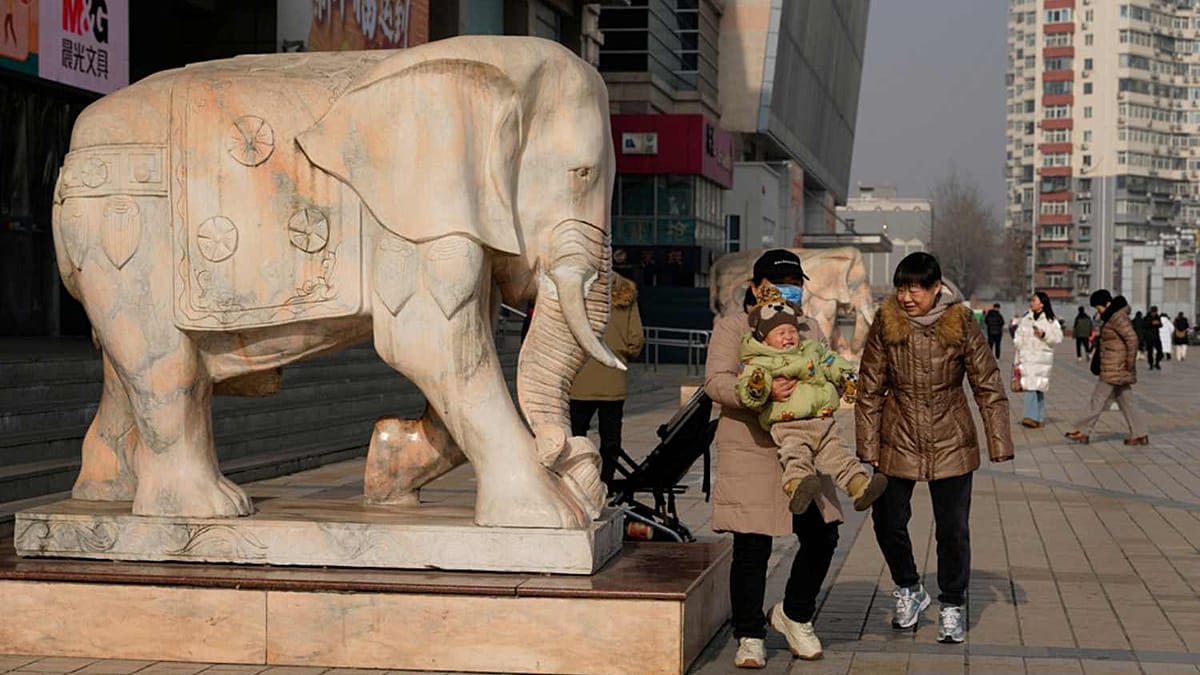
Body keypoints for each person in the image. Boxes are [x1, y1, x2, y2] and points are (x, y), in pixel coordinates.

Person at [855, 252, 1014, 645]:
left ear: (936, 288)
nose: (907, 297)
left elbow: (987, 384)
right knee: (887, 519)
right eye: (901, 288)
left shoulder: (962, 323)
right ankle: (909, 587)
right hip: (898, 436)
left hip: (951, 438)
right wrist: (868, 446)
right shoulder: (885, 323)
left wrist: (999, 441)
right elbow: (869, 387)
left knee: (953, 529)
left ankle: (952, 603)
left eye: (916, 289)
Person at [704, 249, 841, 668]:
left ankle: (794, 614)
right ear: (756, 287)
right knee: (752, 545)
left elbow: (824, 372)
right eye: (780, 283)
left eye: (795, 283)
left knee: (822, 535)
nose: (788, 290)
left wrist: (829, 392)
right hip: (752, 447)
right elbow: (716, 381)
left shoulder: (809, 327)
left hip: (802, 447)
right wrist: (759, 391)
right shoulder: (733, 327)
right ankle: (749, 634)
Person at [736, 283, 888, 514]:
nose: (789, 337)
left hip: (822, 421)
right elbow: (748, 389)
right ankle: (798, 486)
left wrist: (846, 376)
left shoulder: (812, 350)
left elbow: (832, 361)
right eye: (781, 333)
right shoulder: (760, 361)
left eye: (792, 331)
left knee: (839, 455)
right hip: (789, 423)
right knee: (795, 455)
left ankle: (860, 487)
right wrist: (758, 387)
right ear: (764, 339)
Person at [568, 273, 644, 485]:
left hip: (580, 376)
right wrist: (624, 354)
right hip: (613, 375)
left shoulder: (578, 287)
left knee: (577, 433)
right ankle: (607, 481)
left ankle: (577, 477)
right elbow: (635, 338)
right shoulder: (625, 291)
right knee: (611, 437)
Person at [1064, 290, 1148, 446]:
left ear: (1107, 303)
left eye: (1099, 308)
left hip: (1115, 367)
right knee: (1127, 402)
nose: (1098, 311)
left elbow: (1132, 338)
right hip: (1116, 366)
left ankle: (1083, 431)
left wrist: (1129, 363)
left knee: (1098, 399)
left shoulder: (1117, 317)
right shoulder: (1113, 316)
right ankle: (1139, 433)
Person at [1013, 292, 1063, 428]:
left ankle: (1031, 417)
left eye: (1034, 300)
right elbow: (1018, 335)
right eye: (1031, 300)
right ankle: (1037, 418)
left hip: (1041, 359)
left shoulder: (1050, 320)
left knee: (1035, 387)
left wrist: (1044, 334)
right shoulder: (1026, 319)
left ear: (1042, 303)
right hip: (1027, 358)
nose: (1031, 303)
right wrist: (1018, 345)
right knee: (1032, 387)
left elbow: (1058, 337)